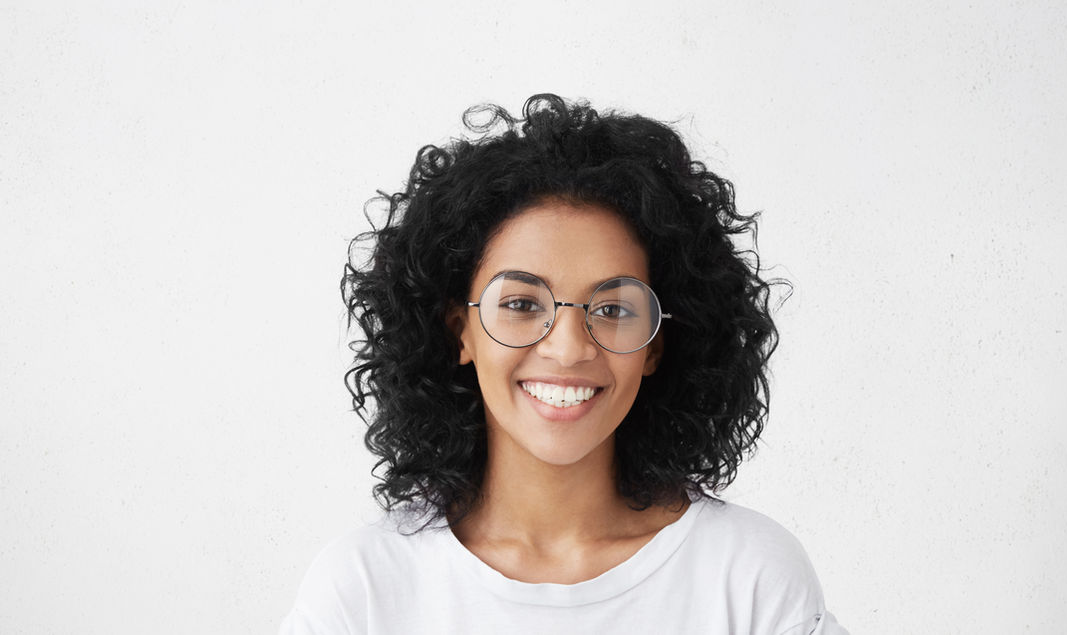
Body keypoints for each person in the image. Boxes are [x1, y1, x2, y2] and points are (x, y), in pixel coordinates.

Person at [281, 94, 848, 634]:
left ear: (655, 347)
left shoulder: (749, 579)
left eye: (612, 308)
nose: (570, 347)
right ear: (461, 332)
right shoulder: (364, 591)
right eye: (523, 304)